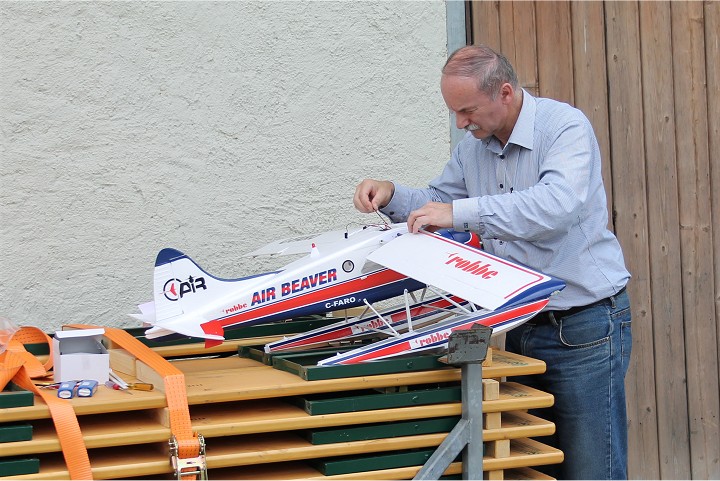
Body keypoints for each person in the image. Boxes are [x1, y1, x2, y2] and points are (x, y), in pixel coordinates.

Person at [353, 45, 632, 480]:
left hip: (584, 328)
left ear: (504, 92)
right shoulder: (473, 147)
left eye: (467, 111)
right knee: (534, 464)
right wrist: (392, 195)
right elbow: (441, 201)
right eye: (455, 113)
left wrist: (461, 213)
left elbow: (554, 206)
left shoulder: (565, 128)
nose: (461, 123)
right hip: (518, 324)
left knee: (592, 469)